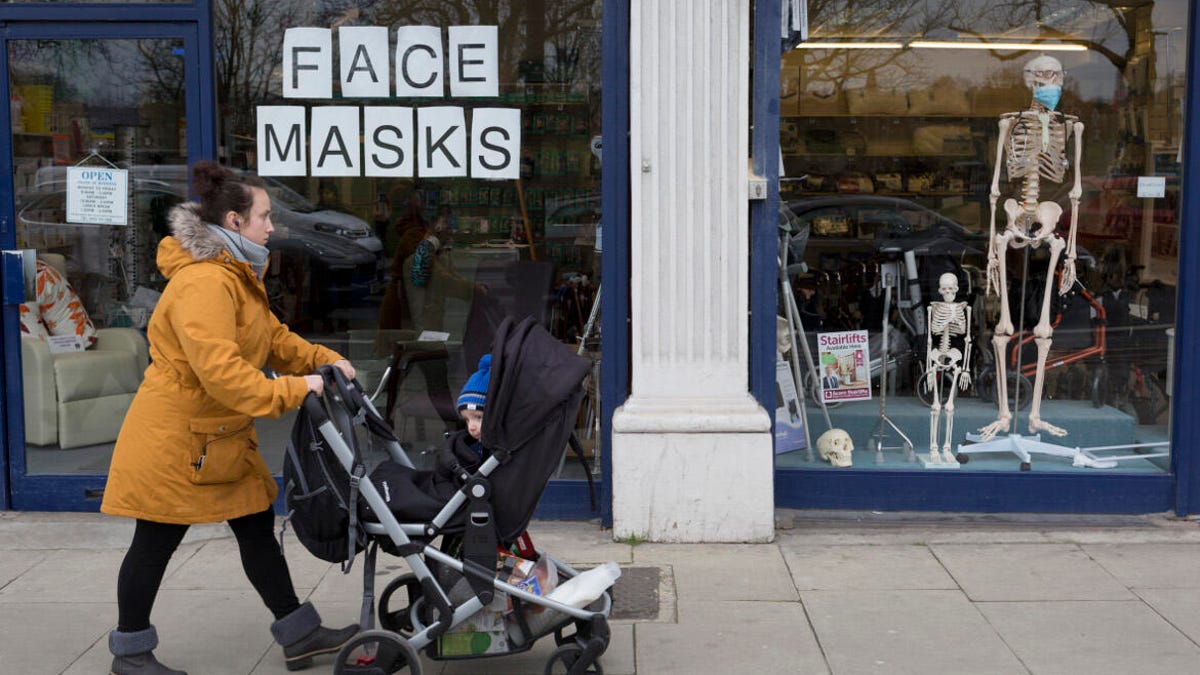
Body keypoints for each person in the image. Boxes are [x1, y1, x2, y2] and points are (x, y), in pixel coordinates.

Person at [101, 161, 358, 675]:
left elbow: (274, 339)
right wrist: (295, 388)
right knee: (154, 540)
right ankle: (129, 654)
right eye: (264, 215)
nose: (272, 225)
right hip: (176, 440)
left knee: (256, 526)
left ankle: (300, 634)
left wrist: (322, 360)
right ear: (235, 223)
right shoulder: (205, 285)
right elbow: (223, 374)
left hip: (215, 437)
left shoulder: (236, 276)